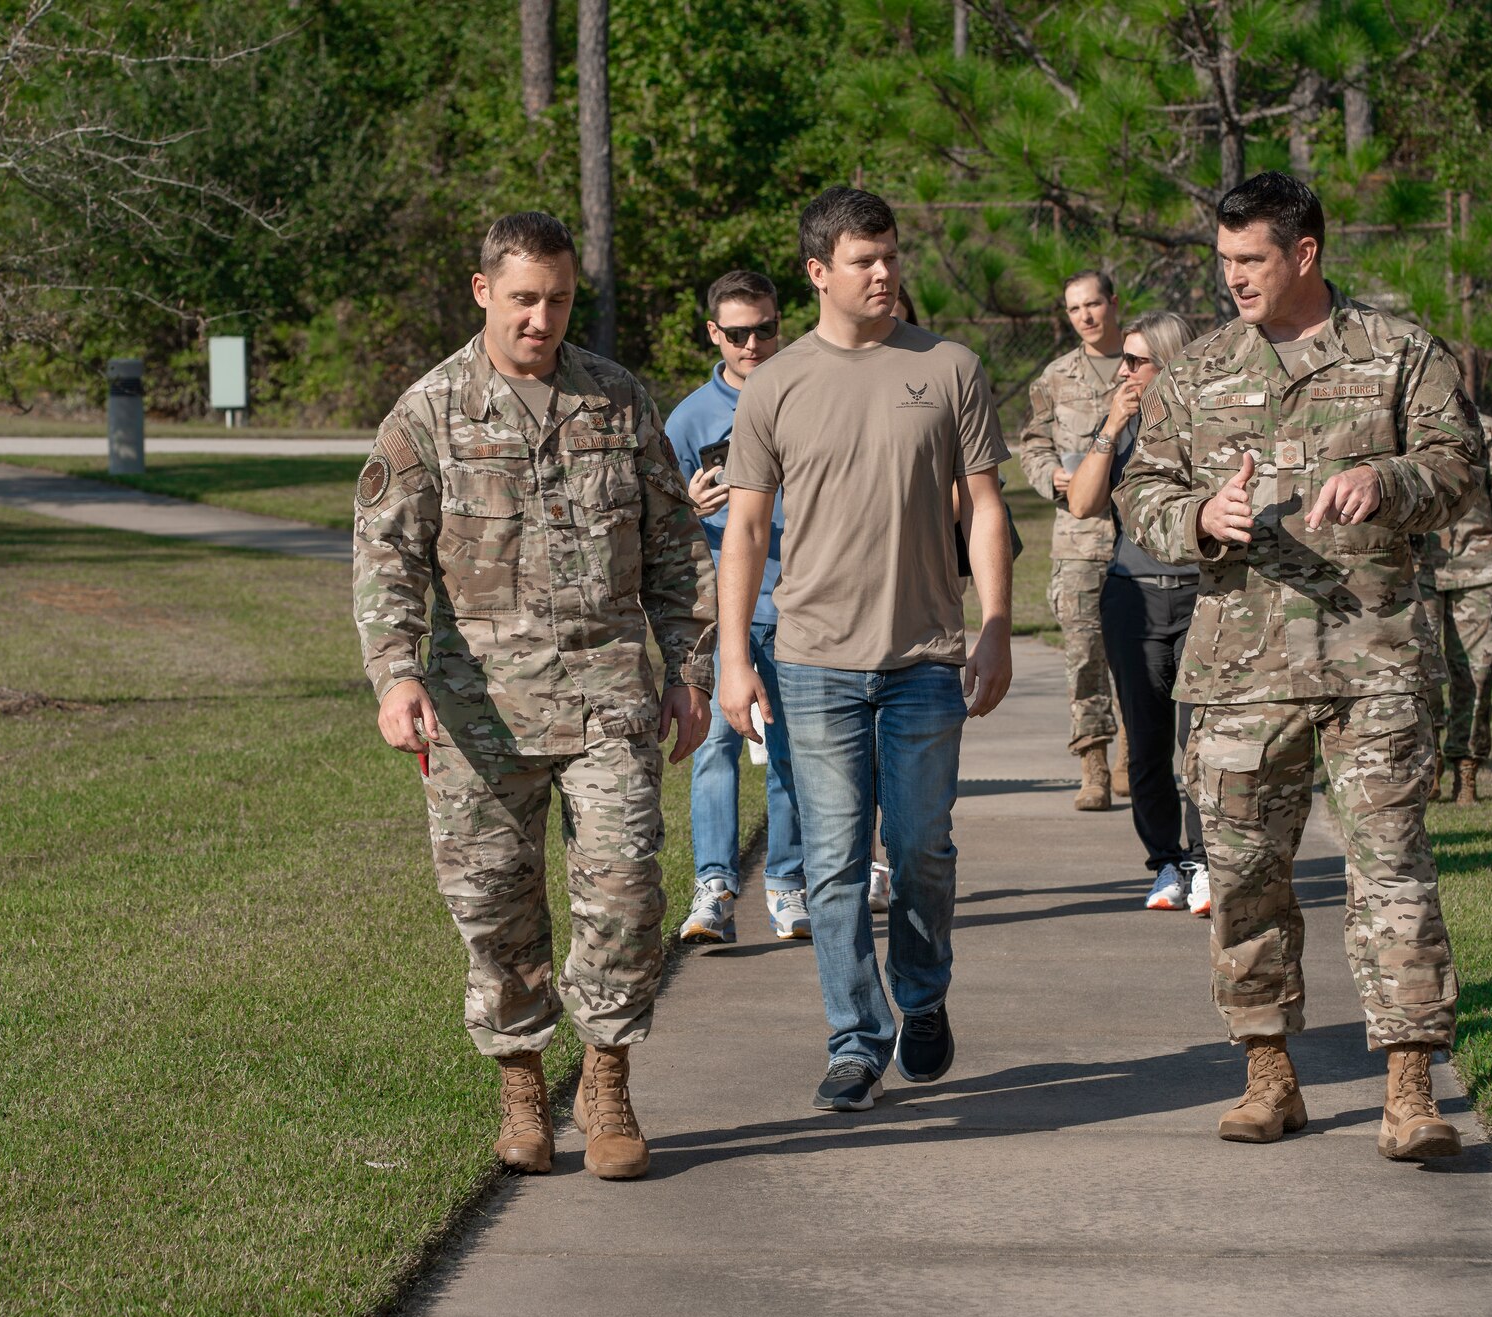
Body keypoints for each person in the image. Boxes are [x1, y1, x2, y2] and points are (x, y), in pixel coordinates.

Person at [1114, 171, 1483, 1162]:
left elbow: (1457, 473)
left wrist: (1385, 478)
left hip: (1376, 664)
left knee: (1390, 876)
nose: (1231, 278)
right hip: (1241, 671)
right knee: (1243, 881)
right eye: (1222, 260)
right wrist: (1196, 517)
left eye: (1250, 260)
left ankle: (1409, 1090)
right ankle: (1268, 1074)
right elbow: (1139, 494)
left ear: (1304, 254)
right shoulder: (1193, 375)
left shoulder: (1400, 354)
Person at [353, 212, 717, 1182]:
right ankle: (520, 1084)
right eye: (522, 299)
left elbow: (677, 551)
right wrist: (394, 675)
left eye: (556, 299)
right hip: (480, 713)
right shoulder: (427, 412)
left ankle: (605, 1079)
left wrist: (689, 671)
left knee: (625, 892)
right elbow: (384, 557)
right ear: (483, 293)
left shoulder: (616, 400)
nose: (540, 318)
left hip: (607, 699)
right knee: (494, 907)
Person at [718, 186, 1015, 1112]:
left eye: (890, 254)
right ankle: (856, 1039)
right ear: (818, 273)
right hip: (812, 662)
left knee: (923, 849)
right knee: (836, 861)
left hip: (926, 654)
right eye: (863, 260)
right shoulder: (775, 384)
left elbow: (989, 506)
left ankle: (922, 995)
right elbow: (747, 529)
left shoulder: (950, 367)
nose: (885, 272)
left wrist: (998, 625)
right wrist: (733, 657)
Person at [665, 270, 809, 943]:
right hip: (719, 608)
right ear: (714, 334)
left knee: (791, 749)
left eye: (766, 329)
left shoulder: (810, 394)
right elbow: (656, 525)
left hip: (797, 602)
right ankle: (715, 890)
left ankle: (787, 887)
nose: (754, 344)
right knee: (715, 743)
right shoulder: (689, 419)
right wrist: (687, 508)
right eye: (739, 333)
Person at [1063, 311, 1210, 915]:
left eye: (1135, 361)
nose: (1122, 370)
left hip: (1204, 595)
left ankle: (1205, 863)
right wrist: (1112, 424)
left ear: (1169, 364)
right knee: (1147, 744)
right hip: (1134, 595)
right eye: (1122, 359)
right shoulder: (1120, 425)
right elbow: (1081, 502)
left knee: (1200, 741)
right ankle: (1166, 864)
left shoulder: (1210, 422)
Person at [1020, 270, 1124, 812]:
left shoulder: (1150, 367)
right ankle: (1094, 764)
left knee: (1146, 652)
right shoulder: (1057, 377)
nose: (1085, 316)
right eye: (1074, 309)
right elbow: (1032, 444)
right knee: (1085, 655)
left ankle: (1134, 751)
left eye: (1093, 304)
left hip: (1143, 537)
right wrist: (1049, 477)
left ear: (1113, 303)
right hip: (1080, 540)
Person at [1416, 411, 1492, 805]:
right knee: (1419, 674)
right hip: (1416, 573)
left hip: (1481, 571)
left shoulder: (1484, 430)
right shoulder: (1402, 425)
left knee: (1477, 676)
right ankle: (1430, 760)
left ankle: (1466, 771)